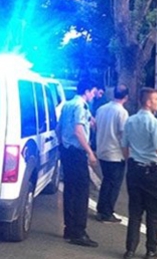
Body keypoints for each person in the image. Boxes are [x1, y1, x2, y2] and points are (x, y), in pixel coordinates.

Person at [121, 88, 157, 259]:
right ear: (148, 102)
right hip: (152, 172)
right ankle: (151, 249)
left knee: (135, 211)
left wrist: (129, 160)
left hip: (134, 169)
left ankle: (130, 249)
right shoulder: (153, 123)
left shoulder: (130, 121)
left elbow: (124, 146)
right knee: (154, 213)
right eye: (156, 99)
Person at [56, 79, 99, 247]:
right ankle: (79, 232)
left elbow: (58, 129)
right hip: (77, 153)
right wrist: (89, 152)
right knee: (81, 192)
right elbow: (78, 130)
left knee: (69, 190)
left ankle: (69, 228)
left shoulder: (67, 105)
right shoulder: (80, 106)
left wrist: (62, 144)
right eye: (93, 91)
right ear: (87, 91)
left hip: (66, 151)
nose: (94, 95)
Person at [95, 84, 129, 223]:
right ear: (126, 97)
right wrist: (128, 154)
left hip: (102, 149)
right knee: (114, 184)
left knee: (106, 181)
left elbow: (96, 127)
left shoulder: (101, 109)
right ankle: (107, 212)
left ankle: (101, 208)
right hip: (115, 153)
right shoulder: (122, 112)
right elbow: (123, 135)